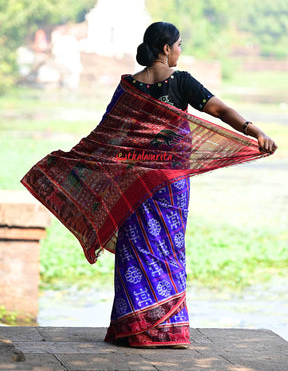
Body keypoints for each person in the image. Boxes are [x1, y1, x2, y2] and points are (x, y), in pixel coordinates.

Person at [21, 21, 277, 349]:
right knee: (169, 251)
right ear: (166, 48)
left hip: (135, 185)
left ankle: (133, 329)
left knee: (135, 250)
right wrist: (254, 131)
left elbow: (108, 134)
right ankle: (166, 329)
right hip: (170, 185)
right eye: (179, 45)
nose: (181, 51)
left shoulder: (128, 86)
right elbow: (219, 109)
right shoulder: (181, 81)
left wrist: (76, 163)